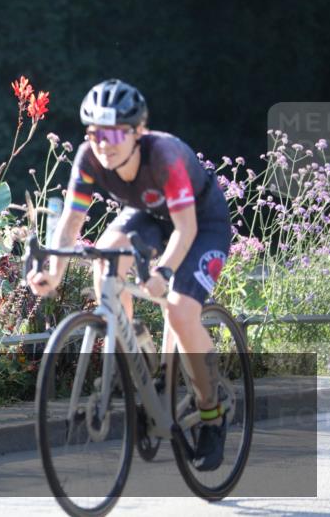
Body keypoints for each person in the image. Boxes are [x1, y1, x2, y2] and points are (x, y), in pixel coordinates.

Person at [26, 79, 230, 471]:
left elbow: (185, 230)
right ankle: (146, 364)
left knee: (179, 311)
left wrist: (165, 272)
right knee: (106, 263)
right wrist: (53, 272)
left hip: (201, 223)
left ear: (138, 132)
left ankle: (212, 413)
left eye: (116, 132)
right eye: (96, 133)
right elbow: (70, 223)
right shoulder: (88, 158)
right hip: (149, 216)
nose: (105, 144)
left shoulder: (164, 156)